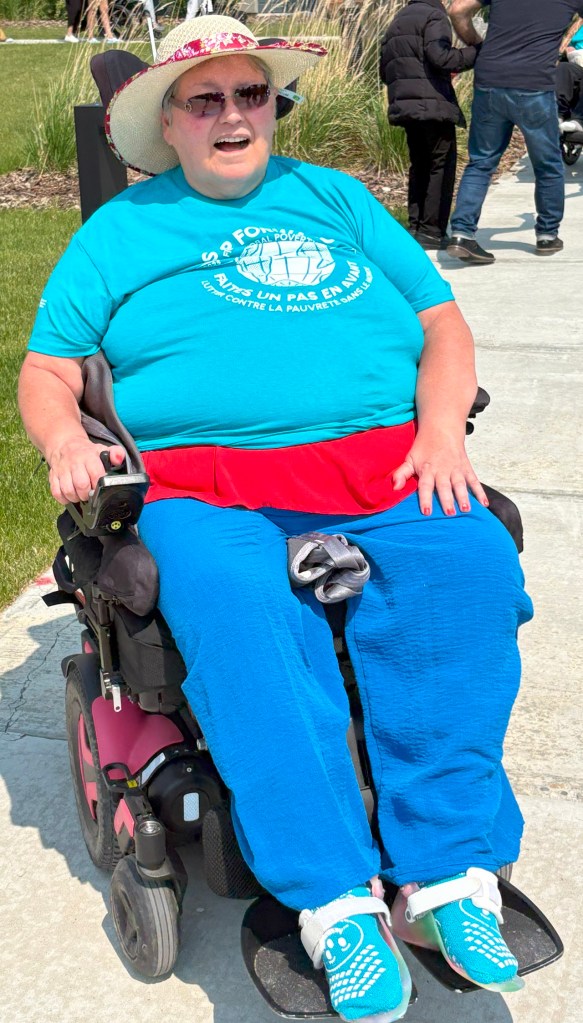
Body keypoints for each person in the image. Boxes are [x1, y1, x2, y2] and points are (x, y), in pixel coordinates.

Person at [19, 15, 533, 1022]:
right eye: (204, 100)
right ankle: (333, 903)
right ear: (168, 122)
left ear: (273, 105)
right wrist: (64, 442)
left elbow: (440, 324)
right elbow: (45, 369)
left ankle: (448, 878)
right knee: (240, 605)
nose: (232, 114)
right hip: (209, 481)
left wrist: (441, 435)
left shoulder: (336, 199)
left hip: (379, 456)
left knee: (468, 565)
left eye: (250, 94)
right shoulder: (121, 232)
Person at [447, 0, 583, 264]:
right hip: (534, 84)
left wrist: (479, 45)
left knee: (481, 163)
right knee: (547, 164)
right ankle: (546, 235)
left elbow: (456, 10)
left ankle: (462, 234)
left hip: (490, 81)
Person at [379, 0, 479, 250]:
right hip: (433, 105)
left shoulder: (398, 19)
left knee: (420, 165)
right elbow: (441, 57)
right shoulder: (434, 16)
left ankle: (416, 226)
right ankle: (432, 230)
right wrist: (478, 51)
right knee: (440, 166)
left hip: (405, 105)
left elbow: (384, 70)